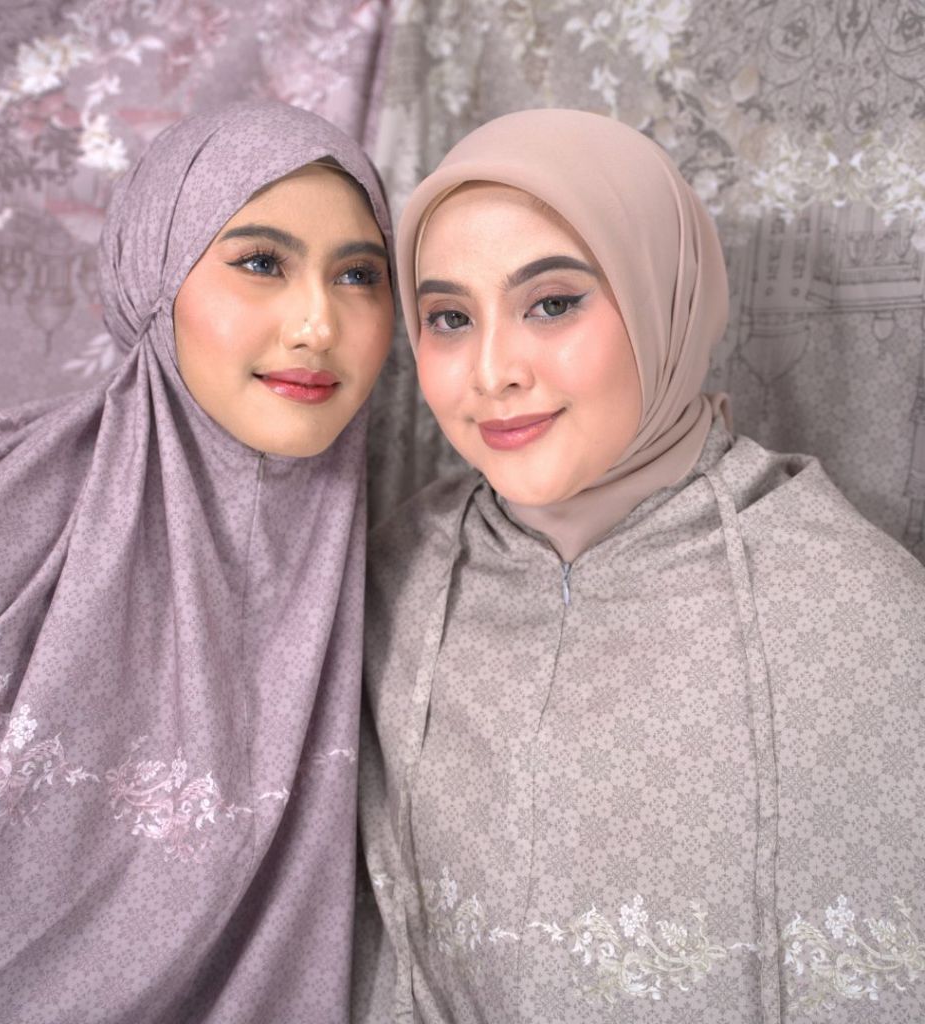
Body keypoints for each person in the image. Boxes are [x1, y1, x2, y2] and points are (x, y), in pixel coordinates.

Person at [354, 109, 925, 1023]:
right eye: (450, 318)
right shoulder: (394, 581)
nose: (493, 371)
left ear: (666, 300)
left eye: (552, 303)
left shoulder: (857, 618)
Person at [0, 100, 393, 1023]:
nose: (318, 324)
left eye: (359, 275)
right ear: (153, 280)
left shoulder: (412, 583)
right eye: (262, 263)